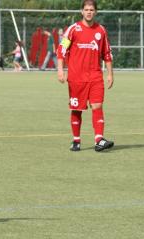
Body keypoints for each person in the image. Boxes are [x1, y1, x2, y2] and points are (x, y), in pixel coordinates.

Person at [56, 0, 114, 152]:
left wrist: (110, 74)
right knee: (77, 109)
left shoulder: (101, 31)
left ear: (95, 12)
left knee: (97, 106)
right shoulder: (73, 29)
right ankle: (76, 140)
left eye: (92, 10)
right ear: (82, 11)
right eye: (86, 9)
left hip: (95, 76)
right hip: (76, 77)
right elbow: (61, 49)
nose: (89, 12)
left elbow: (106, 53)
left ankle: (99, 140)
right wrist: (60, 70)